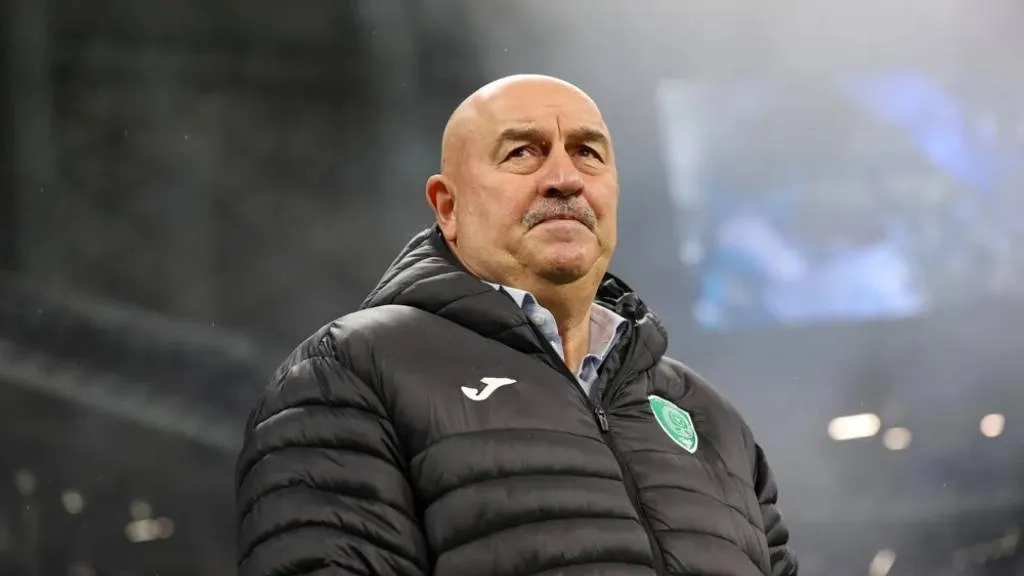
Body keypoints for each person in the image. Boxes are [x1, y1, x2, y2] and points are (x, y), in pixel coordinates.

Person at [235, 74, 799, 576]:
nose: (565, 178)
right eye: (523, 152)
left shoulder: (709, 415)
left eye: (587, 153)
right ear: (447, 207)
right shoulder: (352, 373)